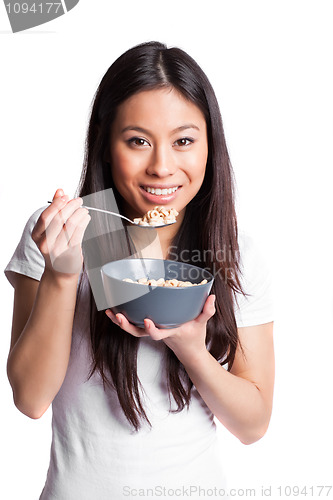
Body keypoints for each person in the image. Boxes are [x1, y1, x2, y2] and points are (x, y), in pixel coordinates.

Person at [5, 41, 274, 499]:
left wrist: (190, 347)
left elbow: (253, 425)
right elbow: (30, 399)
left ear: (211, 145)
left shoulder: (233, 250)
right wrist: (63, 274)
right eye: (138, 141)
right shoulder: (66, 231)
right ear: (106, 144)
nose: (162, 167)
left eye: (184, 141)